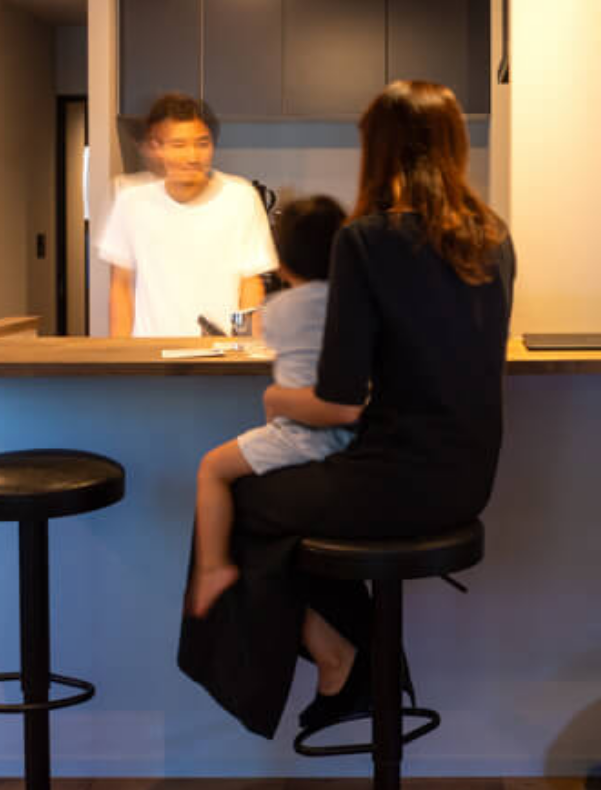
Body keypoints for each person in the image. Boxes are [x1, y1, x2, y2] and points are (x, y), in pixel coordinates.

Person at [177, 79, 516, 740]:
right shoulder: (494, 238)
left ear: (378, 148)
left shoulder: (366, 240)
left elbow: (336, 404)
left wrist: (275, 397)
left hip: (392, 482)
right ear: (454, 145)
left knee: (240, 501)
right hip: (469, 481)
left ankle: (344, 663)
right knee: (285, 507)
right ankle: (363, 666)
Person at [188, 195, 351, 619]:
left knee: (212, 468)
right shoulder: (353, 305)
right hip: (350, 444)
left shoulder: (278, 310)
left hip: (298, 436)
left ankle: (213, 567)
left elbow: (269, 346)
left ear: (282, 264)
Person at [99, 93, 277, 337]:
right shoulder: (131, 203)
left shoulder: (242, 198)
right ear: (158, 148)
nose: (192, 157)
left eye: (202, 144)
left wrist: (244, 347)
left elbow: (250, 283)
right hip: (150, 351)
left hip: (218, 351)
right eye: (179, 145)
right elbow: (121, 286)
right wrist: (121, 353)